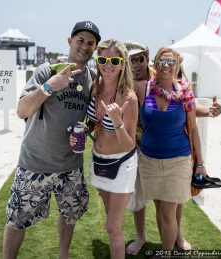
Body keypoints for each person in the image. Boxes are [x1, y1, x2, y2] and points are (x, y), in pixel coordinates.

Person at [2, 20, 101, 259]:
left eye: (90, 43)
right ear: (69, 41)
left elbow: (91, 117)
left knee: (69, 214)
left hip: (70, 166)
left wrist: (86, 129)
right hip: (35, 162)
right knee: (17, 218)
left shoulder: (93, 79)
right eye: (80, 40)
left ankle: (63, 255)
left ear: (95, 48)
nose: (84, 46)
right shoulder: (47, 71)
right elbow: (22, 111)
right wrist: (48, 87)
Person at [125, 42, 221, 255]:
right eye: (163, 61)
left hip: (178, 159)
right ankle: (160, 243)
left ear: (177, 64)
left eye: (171, 62)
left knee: (169, 211)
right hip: (148, 159)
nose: (166, 65)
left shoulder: (185, 92)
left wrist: (201, 163)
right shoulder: (144, 88)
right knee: (160, 209)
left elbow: (194, 127)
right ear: (156, 64)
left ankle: (167, 251)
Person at [84, 39, 138, 258]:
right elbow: (93, 122)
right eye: (103, 59)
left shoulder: (129, 97)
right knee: (110, 219)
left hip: (121, 163)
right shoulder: (95, 89)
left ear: (122, 64)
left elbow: (129, 144)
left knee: (113, 227)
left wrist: (116, 121)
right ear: (97, 61)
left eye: (114, 60)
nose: (108, 65)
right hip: (98, 161)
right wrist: (82, 128)